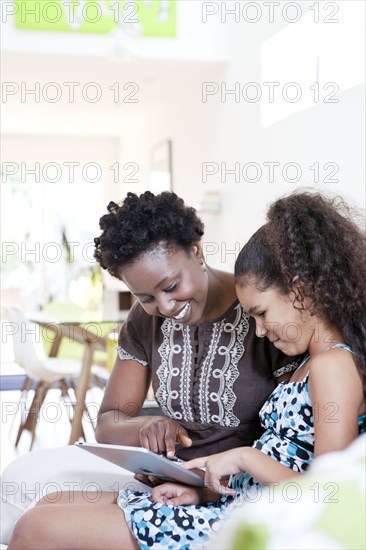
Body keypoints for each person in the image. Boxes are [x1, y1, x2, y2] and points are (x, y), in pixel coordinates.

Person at [8, 191, 366, 550]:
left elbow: (324, 488)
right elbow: (111, 421)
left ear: (197, 251)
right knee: (42, 508)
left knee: (37, 528)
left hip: (235, 497)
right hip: (218, 491)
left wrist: (236, 462)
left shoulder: (315, 357)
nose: (163, 306)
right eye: (145, 298)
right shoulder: (306, 353)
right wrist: (193, 479)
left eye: (171, 286)